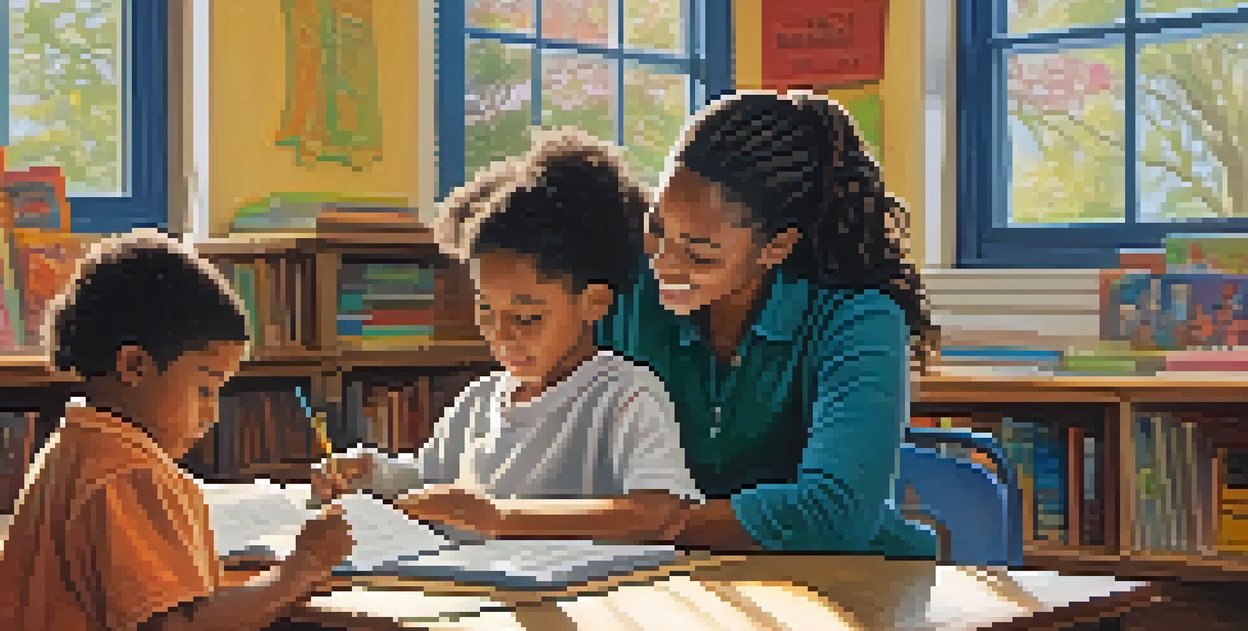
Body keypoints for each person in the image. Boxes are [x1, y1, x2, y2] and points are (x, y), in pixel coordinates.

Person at [384, 91, 940, 558]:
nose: (663, 265)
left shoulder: (856, 319)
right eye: (658, 230)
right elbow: (547, 419)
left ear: (776, 246)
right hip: (669, 576)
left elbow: (835, 513)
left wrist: (655, 520)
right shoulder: (627, 291)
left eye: (699, 253)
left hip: (853, 584)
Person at [0, 231, 354, 631]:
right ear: (133, 366)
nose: (213, 415)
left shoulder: (76, 446)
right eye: (204, 387)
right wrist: (297, 572)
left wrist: (263, 579)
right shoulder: (129, 472)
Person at [311, 130, 701, 540]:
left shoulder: (624, 396)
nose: (502, 336)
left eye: (528, 317)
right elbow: (429, 484)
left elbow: (659, 512)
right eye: (486, 310)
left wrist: (500, 518)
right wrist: (371, 472)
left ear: (594, 304)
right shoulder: (478, 402)